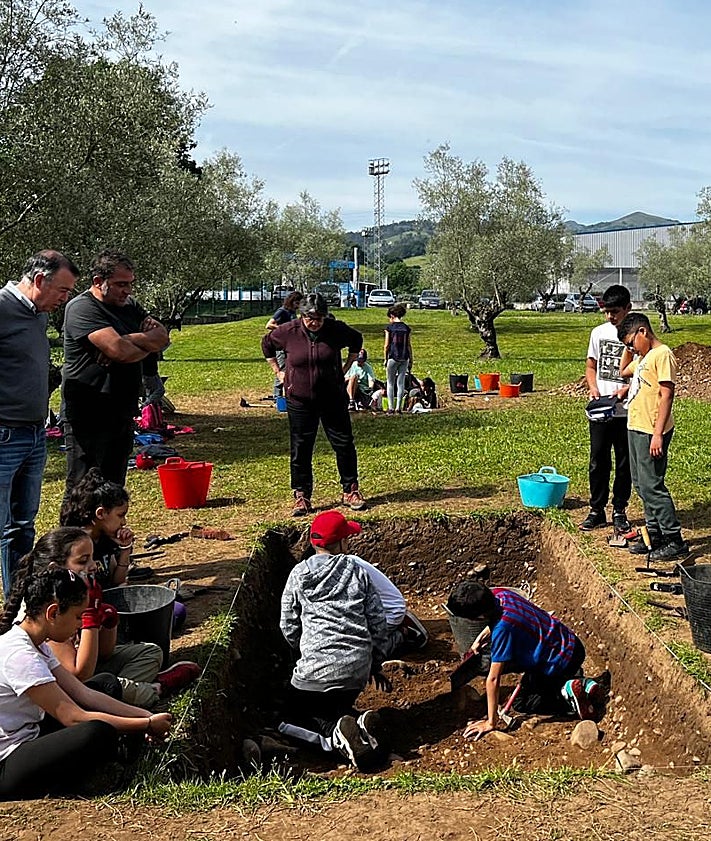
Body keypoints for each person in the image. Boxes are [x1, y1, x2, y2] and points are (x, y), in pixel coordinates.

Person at [0, 566, 173, 800]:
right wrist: (145, 724)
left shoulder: (37, 642)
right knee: (95, 732)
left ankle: (115, 750)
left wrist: (143, 715)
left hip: (29, 731)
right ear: (52, 613)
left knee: (105, 684)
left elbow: (83, 693)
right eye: (77, 616)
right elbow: (72, 716)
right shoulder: (20, 655)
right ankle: (74, 779)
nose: (81, 625)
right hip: (6, 761)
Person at [12, 527, 199, 709]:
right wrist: (89, 618)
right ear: (56, 568)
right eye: (83, 561)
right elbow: (79, 676)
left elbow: (105, 653)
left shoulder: (77, 592)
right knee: (105, 685)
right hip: (66, 688)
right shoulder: (49, 611)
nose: (93, 566)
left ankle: (122, 693)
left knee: (150, 652)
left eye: (92, 558)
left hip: (86, 670)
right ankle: (153, 690)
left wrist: (109, 621)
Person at [278, 510, 391, 771]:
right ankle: (357, 726)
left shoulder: (299, 574)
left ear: (312, 541)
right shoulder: (357, 571)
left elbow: (287, 624)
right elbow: (378, 621)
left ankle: (334, 741)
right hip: (356, 673)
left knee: (287, 721)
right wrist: (375, 662)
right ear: (341, 544)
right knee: (334, 706)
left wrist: (302, 651)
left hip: (314, 676)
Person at [0, 251, 79, 599]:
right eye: (62, 290)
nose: (64, 299)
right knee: (3, 525)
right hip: (4, 435)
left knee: (22, 524)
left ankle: (17, 598)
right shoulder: (2, 308)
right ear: (39, 280)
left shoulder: (36, 316)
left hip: (34, 434)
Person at [62, 249, 170, 496]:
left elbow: (162, 337)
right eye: (121, 284)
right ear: (98, 282)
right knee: (83, 489)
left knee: (113, 488)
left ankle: (107, 536)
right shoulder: (82, 309)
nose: (128, 291)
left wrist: (127, 340)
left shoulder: (129, 306)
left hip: (121, 409)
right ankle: (74, 536)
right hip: (88, 412)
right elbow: (121, 352)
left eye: (130, 284)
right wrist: (138, 344)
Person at [446, 581, 602, 740]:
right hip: (571, 643)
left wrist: (491, 722)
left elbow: (493, 679)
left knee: (522, 703)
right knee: (525, 667)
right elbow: (496, 618)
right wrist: (482, 637)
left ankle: (567, 694)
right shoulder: (502, 594)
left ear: (479, 617)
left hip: (561, 661)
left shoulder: (503, 630)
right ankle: (582, 683)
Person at [262, 293, 366, 516]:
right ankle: (301, 495)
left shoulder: (335, 329)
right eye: (310, 318)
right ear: (302, 315)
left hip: (333, 399)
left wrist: (347, 367)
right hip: (299, 401)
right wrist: (278, 373)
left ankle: (351, 490)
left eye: (319, 318)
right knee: (301, 447)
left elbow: (356, 339)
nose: (315, 322)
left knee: (344, 443)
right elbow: (267, 344)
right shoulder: (288, 331)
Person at [618, 313, 688, 561]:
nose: (630, 348)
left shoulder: (662, 355)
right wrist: (628, 347)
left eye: (631, 342)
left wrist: (658, 434)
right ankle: (655, 533)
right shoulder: (644, 356)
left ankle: (674, 539)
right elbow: (623, 370)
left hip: (651, 430)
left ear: (643, 332)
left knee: (653, 485)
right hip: (635, 426)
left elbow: (667, 395)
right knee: (640, 483)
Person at [580, 285, 633, 532]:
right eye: (606, 312)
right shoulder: (598, 333)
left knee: (624, 462)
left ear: (627, 309)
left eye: (615, 312)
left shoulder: (637, 334)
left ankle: (620, 509)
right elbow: (591, 366)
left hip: (627, 410)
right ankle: (596, 509)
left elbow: (644, 369)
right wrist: (593, 388)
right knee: (598, 461)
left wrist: (626, 388)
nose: (610, 317)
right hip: (602, 410)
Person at [265, 291, 304, 401]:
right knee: (282, 369)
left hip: (291, 345)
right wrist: (283, 330)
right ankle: (277, 395)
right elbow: (269, 325)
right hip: (281, 346)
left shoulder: (293, 312)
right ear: (291, 302)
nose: (298, 306)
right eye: (297, 303)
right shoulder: (282, 311)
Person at [384, 303, 413, 415]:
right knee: (400, 383)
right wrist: (411, 359)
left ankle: (391, 408)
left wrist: (385, 358)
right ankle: (398, 408)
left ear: (392, 315)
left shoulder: (389, 328)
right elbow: (409, 345)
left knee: (390, 382)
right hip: (404, 357)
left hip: (393, 356)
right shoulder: (406, 328)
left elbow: (386, 345)